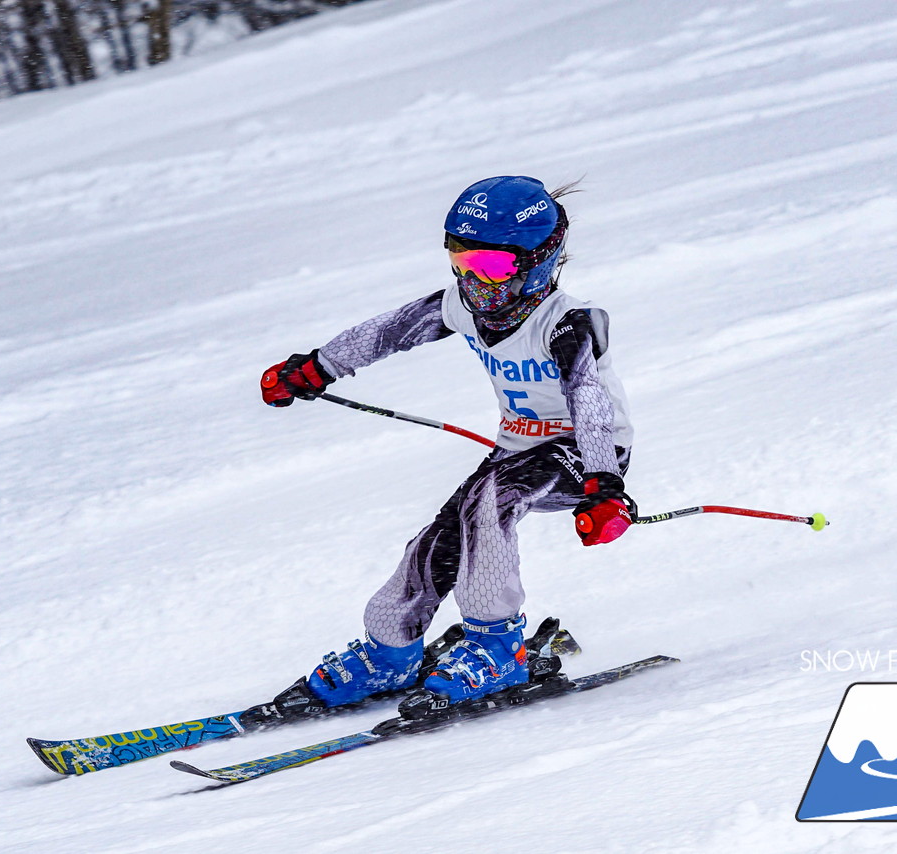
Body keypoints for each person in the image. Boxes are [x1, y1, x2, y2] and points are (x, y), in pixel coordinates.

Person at [260, 176, 634, 713]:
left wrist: (605, 487)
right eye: (461, 261)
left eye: (492, 266)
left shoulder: (566, 323)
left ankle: (498, 648)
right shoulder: (465, 306)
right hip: (517, 451)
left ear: (540, 261)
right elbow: (390, 331)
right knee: (442, 536)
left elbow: (588, 399)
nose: (473, 281)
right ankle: (390, 650)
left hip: (588, 455)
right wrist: (317, 367)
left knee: (490, 505)